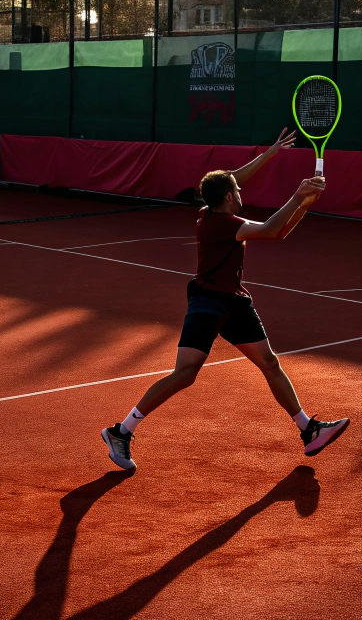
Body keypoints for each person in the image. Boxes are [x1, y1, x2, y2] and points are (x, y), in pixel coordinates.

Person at [101, 129, 349, 472]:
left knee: (270, 363)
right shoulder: (225, 224)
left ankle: (308, 430)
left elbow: (273, 221)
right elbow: (272, 230)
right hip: (207, 303)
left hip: (234, 303)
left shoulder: (208, 209)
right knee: (186, 373)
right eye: (238, 191)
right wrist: (298, 196)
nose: (241, 189)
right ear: (230, 198)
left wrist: (287, 177)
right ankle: (121, 430)